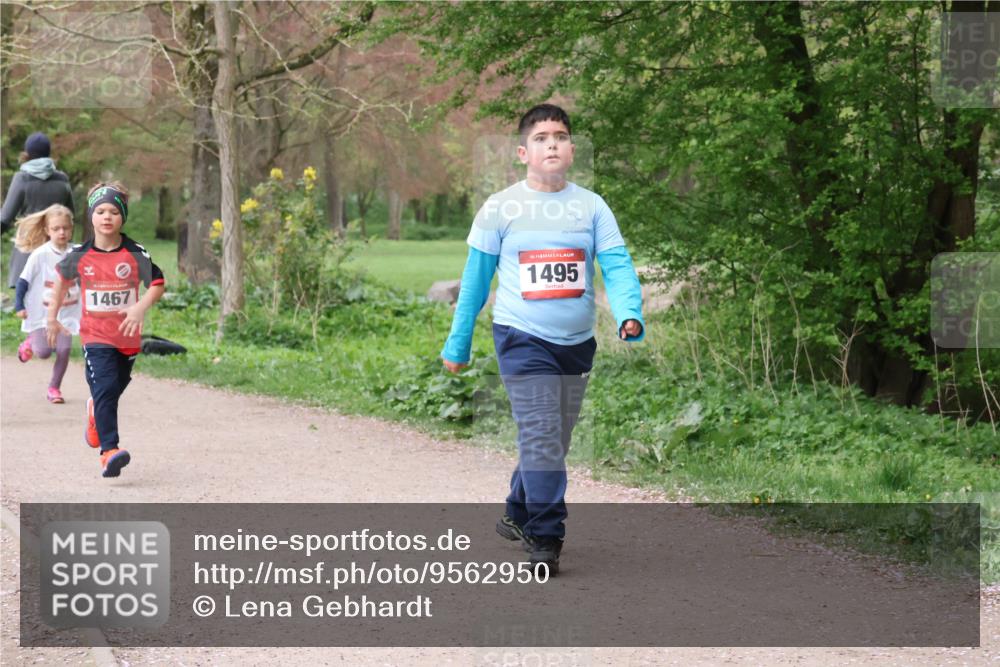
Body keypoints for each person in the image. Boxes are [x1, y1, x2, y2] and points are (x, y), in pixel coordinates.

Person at [440, 104, 644, 575]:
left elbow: (616, 264)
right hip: (520, 336)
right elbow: (474, 283)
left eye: (560, 136)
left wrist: (629, 312)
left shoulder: (592, 206)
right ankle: (546, 535)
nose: (551, 143)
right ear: (522, 152)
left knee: (556, 436)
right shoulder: (500, 208)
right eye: (541, 137)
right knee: (542, 433)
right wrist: (458, 344)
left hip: (575, 342)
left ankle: (518, 508)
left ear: (571, 150)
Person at [46, 182, 165, 478]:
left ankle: (94, 413)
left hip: (126, 337)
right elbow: (61, 279)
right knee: (107, 388)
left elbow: (158, 284)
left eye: (114, 211)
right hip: (95, 335)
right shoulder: (80, 254)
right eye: (100, 211)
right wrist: (52, 317)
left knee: (116, 386)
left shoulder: (135, 252)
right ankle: (109, 451)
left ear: (122, 216)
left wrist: (139, 309)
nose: (107, 216)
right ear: (92, 216)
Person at [13, 204, 80, 403]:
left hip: (68, 312)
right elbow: (23, 281)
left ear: (71, 228)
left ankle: (54, 388)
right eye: (56, 228)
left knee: (64, 350)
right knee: (43, 352)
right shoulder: (40, 254)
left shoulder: (77, 252)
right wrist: (19, 306)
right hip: (41, 311)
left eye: (66, 228)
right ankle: (30, 344)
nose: (62, 232)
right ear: (47, 231)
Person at [1, 132, 76, 289]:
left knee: (29, 308)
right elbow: (70, 216)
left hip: (27, 253)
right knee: (57, 306)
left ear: (26, 154)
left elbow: (6, 217)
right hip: (57, 254)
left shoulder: (22, 178)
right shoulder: (62, 179)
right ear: (48, 153)